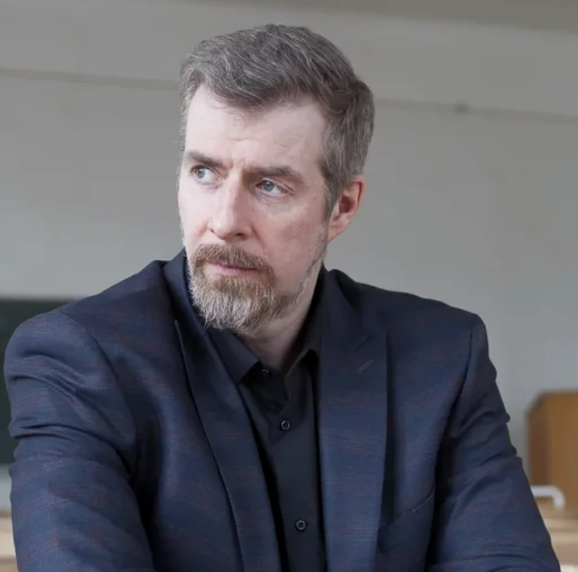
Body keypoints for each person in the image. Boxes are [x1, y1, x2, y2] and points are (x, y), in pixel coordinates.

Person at [4, 24, 558, 572]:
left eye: (269, 185)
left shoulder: (442, 358)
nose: (224, 221)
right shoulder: (76, 361)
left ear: (341, 207)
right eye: (204, 172)